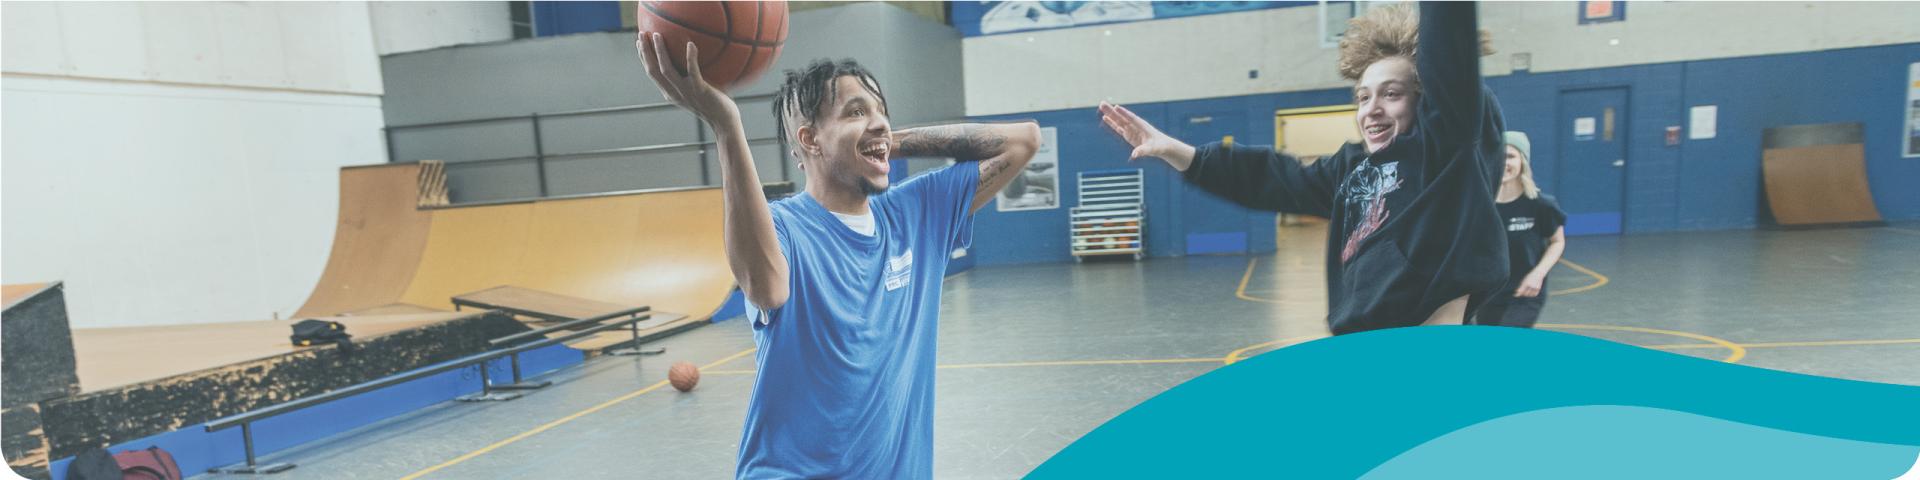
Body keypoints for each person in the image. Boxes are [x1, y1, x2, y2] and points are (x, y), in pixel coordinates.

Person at [636, 34, 1041, 479]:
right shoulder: (783, 227)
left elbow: (1023, 141)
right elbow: (768, 289)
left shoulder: (918, 212)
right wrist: (726, 125)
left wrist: (880, 140)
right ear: (810, 139)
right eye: (855, 111)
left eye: (881, 111)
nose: (879, 122)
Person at [1097, 2, 1508, 334]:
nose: (1371, 109)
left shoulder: (1444, 152)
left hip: (1424, 349)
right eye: (1363, 97)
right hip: (1363, 347)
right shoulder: (1350, 169)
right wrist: (1177, 151)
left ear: (1426, 101)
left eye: (1392, 94)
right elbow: (1274, 178)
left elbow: (1448, 50)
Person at [1476, 132, 1567, 328]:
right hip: (1488, 294)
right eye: (1498, 156)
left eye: (1510, 156)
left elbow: (1557, 242)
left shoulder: (1541, 204)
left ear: (1523, 161)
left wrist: (1538, 273)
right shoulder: (1482, 205)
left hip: (1525, 293)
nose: (1503, 162)